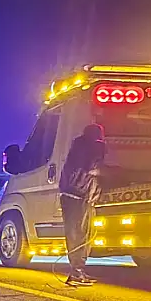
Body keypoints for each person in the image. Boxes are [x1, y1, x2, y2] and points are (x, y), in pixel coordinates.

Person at [58, 123, 107, 286]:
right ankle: (76, 271)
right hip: (77, 196)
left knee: (82, 234)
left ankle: (79, 270)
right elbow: (92, 169)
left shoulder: (80, 147)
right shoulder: (89, 148)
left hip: (79, 196)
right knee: (78, 234)